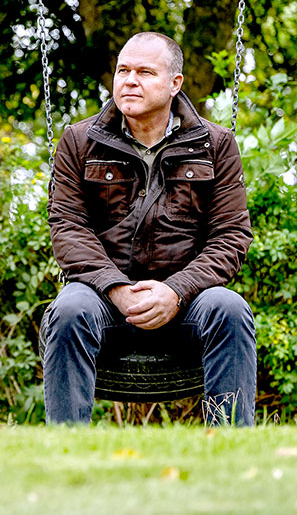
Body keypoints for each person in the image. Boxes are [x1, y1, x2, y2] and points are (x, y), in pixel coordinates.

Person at [42, 31, 256, 425]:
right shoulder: (78, 141)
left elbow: (231, 235)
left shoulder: (216, 145)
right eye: (123, 70)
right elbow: (68, 228)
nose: (129, 80)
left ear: (175, 83)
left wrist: (176, 291)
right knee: (69, 308)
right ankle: (64, 450)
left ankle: (231, 444)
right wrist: (117, 289)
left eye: (145, 72)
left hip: (188, 304)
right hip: (102, 301)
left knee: (230, 308)